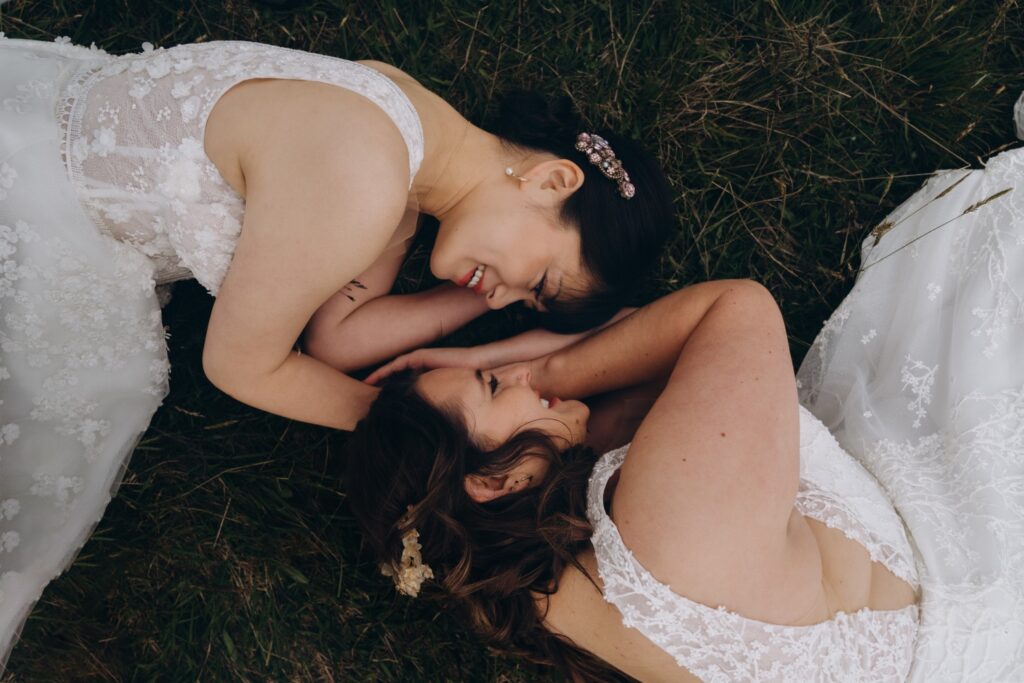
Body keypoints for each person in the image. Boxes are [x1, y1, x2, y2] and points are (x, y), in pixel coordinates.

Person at [0, 36, 675, 665]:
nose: (505, 297)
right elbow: (238, 364)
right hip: (45, 220)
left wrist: (499, 308)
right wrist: (436, 430)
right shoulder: (364, 183)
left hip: (47, 122)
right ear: (552, 181)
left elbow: (337, 338)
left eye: (525, 300)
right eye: (540, 281)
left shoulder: (406, 131)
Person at [345, 115, 1024, 680]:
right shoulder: (662, 526)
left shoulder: (555, 594)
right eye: (495, 389)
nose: (523, 379)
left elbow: (643, 352)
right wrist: (548, 364)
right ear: (495, 481)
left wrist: (499, 372)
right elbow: (734, 311)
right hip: (972, 582)